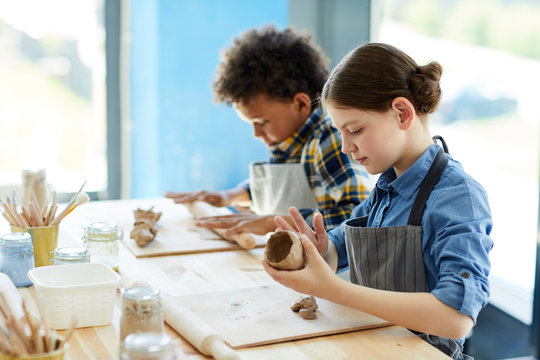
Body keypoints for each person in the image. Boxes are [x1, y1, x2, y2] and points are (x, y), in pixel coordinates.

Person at [262, 43, 493, 360]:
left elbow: (456, 319)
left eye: (354, 130)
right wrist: (319, 250)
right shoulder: (385, 189)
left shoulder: (458, 196)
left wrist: (334, 290)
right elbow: (337, 250)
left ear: (402, 113)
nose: (346, 147)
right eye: (340, 133)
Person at [165, 26, 371, 237]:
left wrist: (275, 223)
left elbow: (358, 217)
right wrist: (231, 195)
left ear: (300, 105)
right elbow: (281, 188)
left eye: (262, 122)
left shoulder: (329, 138)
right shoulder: (288, 139)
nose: (256, 133)